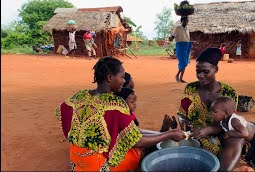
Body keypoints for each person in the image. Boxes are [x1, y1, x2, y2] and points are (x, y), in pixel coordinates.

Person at [55, 56, 186, 171]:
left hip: (76, 161)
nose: (124, 81)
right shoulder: (115, 103)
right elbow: (136, 140)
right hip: (98, 166)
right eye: (122, 77)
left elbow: (63, 110)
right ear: (110, 77)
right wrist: (169, 134)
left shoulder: (78, 97)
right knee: (139, 150)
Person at [191, 97, 255, 171]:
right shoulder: (222, 120)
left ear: (226, 113)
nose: (212, 114)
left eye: (215, 112)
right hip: (248, 133)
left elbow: (245, 133)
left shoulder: (234, 121)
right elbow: (219, 128)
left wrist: (229, 133)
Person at [177, 47, 238, 156]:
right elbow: (182, 114)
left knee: (231, 147)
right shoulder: (190, 89)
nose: (200, 75)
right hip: (194, 136)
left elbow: (232, 123)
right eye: (197, 71)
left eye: (205, 71)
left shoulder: (229, 93)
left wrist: (210, 129)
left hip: (222, 136)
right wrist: (183, 121)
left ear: (216, 69)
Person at [169, 16, 192, 83]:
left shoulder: (187, 28)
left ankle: (181, 78)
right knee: (183, 62)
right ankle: (177, 75)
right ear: (181, 21)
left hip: (187, 46)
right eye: (185, 21)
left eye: (187, 21)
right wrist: (170, 39)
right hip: (180, 46)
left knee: (185, 62)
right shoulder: (177, 28)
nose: (186, 22)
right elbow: (172, 37)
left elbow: (187, 37)